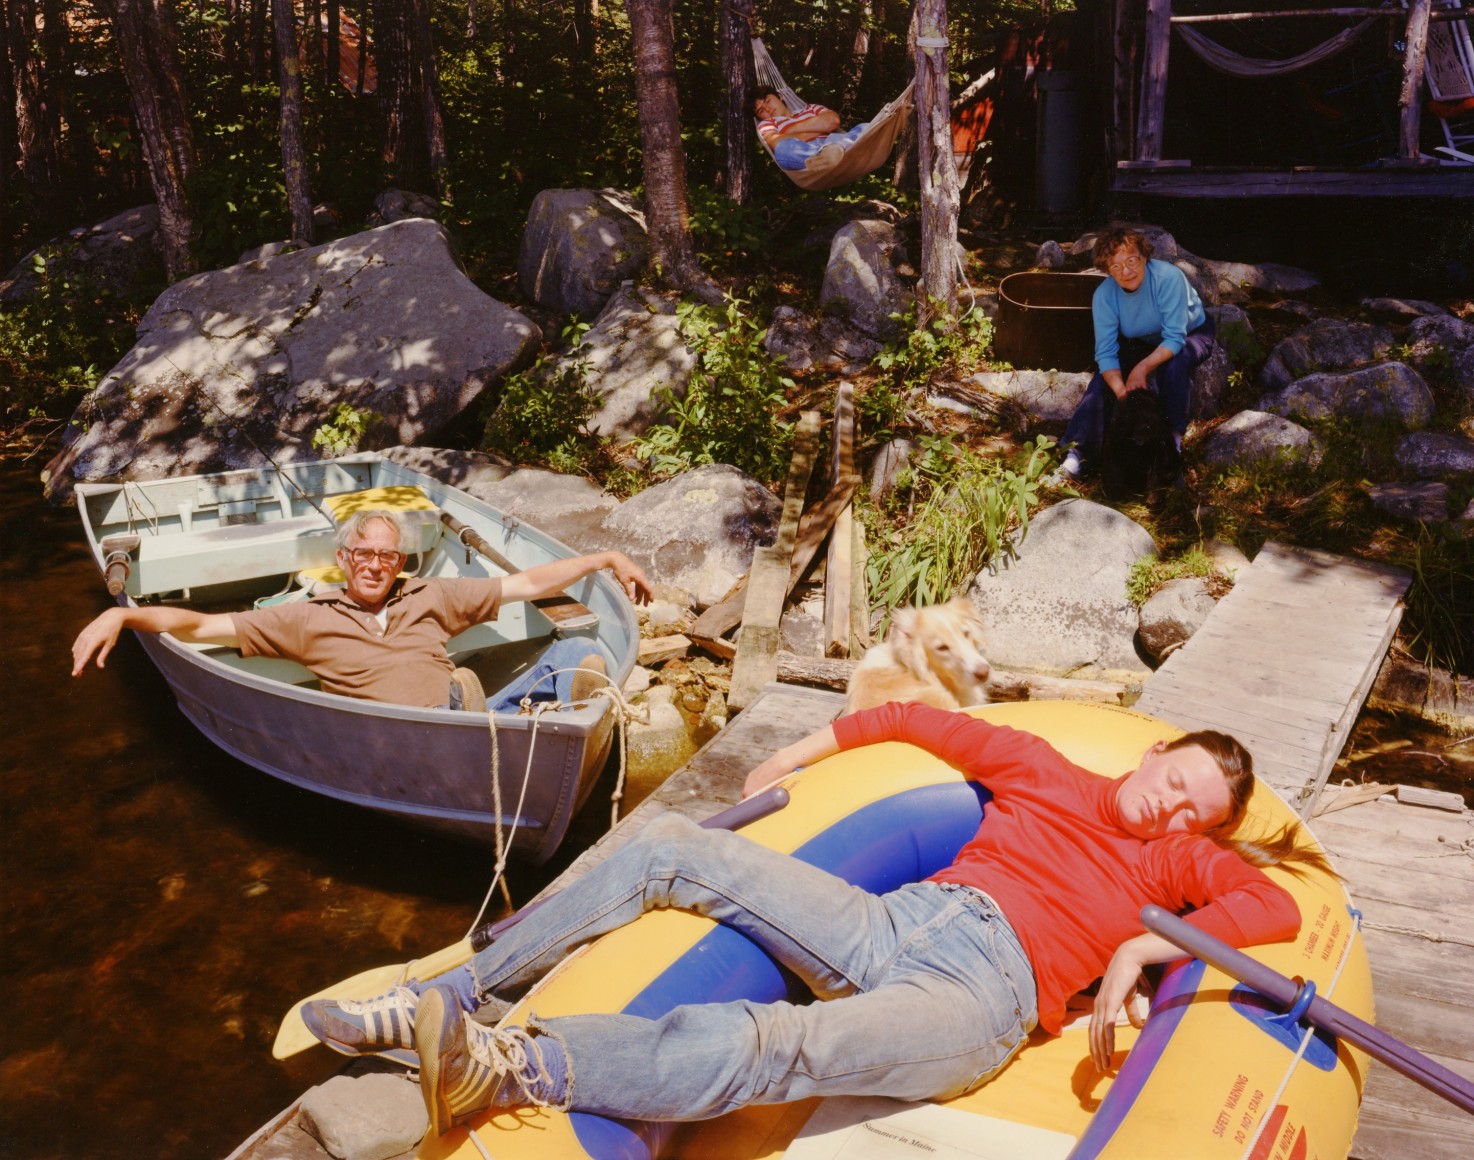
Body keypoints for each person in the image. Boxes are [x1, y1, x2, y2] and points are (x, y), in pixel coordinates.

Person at [301, 702, 1329, 1137]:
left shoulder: (1178, 859)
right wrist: (794, 754)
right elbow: (911, 717)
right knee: (669, 847)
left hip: (982, 992)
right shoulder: (1043, 764)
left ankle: (511, 1066)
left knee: (777, 1041)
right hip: (896, 920)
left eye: (1195, 811)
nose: (1172, 808)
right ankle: (450, 990)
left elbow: (1276, 903)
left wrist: (1145, 943)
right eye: (1175, 782)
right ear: (1154, 754)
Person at [71, 509, 653, 712]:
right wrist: (122, 615)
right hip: (403, 736)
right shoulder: (307, 617)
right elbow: (200, 625)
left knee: (578, 649)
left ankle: (541, 719)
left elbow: (524, 583)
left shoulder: (429, 595)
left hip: (470, 717)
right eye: (364, 554)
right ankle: (502, 720)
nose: (375, 565)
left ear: (400, 561)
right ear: (344, 559)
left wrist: (603, 557)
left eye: (387, 556)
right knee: (463, 700)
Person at [1055, 227, 1217, 483]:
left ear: (1144, 256)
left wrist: (1142, 368)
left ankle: (1172, 444)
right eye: (1115, 266)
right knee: (1102, 381)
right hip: (1141, 340)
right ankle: (1075, 455)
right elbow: (1106, 353)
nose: (1126, 271)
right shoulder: (1104, 296)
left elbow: (1175, 338)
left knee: (1175, 365)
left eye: (1131, 260)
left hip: (1189, 333)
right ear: (1107, 270)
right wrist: (1122, 394)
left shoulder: (1168, 278)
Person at [754, 86, 871, 172]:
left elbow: (833, 121)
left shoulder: (810, 108)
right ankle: (823, 156)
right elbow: (775, 142)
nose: (768, 109)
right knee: (782, 148)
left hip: (835, 142)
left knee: (865, 127)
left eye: (768, 101)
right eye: (761, 110)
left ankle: (831, 154)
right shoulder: (767, 123)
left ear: (780, 96)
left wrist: (790, 130)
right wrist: (821, 128)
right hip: (805, 153)